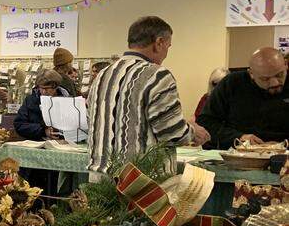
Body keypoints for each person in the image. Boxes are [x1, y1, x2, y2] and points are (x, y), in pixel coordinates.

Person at [88, 16, 209, 174]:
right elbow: (172, 133)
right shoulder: (157, 75)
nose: (166, 53)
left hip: (100, 177)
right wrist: (193, 132)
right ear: (158, 43)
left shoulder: (103, 75)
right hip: (141, 182)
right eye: (168, 46)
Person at [197, 48, 288, 148]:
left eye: (279, 75)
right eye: (265, 79)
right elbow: (205, 122)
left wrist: (282, 145)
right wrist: (239, 137)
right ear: (251, 74)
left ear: (286, 64)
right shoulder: (232, 83)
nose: (275, 83)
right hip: (239, 152)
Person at [14, 70, 71, 140]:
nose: (43, 92)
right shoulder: (30, 101)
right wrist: (43, 131)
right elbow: (19, 125)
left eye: (47, 88)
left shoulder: (68, 100)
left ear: (55, 87)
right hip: (37, 144)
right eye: (41, 88)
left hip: (64, 143)